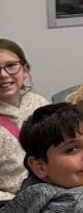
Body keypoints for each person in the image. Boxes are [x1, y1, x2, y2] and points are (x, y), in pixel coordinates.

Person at [0, 39, 48, 201]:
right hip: (13, 203)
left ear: (25, 69)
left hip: (53, 192)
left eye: (11, 66)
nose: (3, 75)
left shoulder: (40, 104)